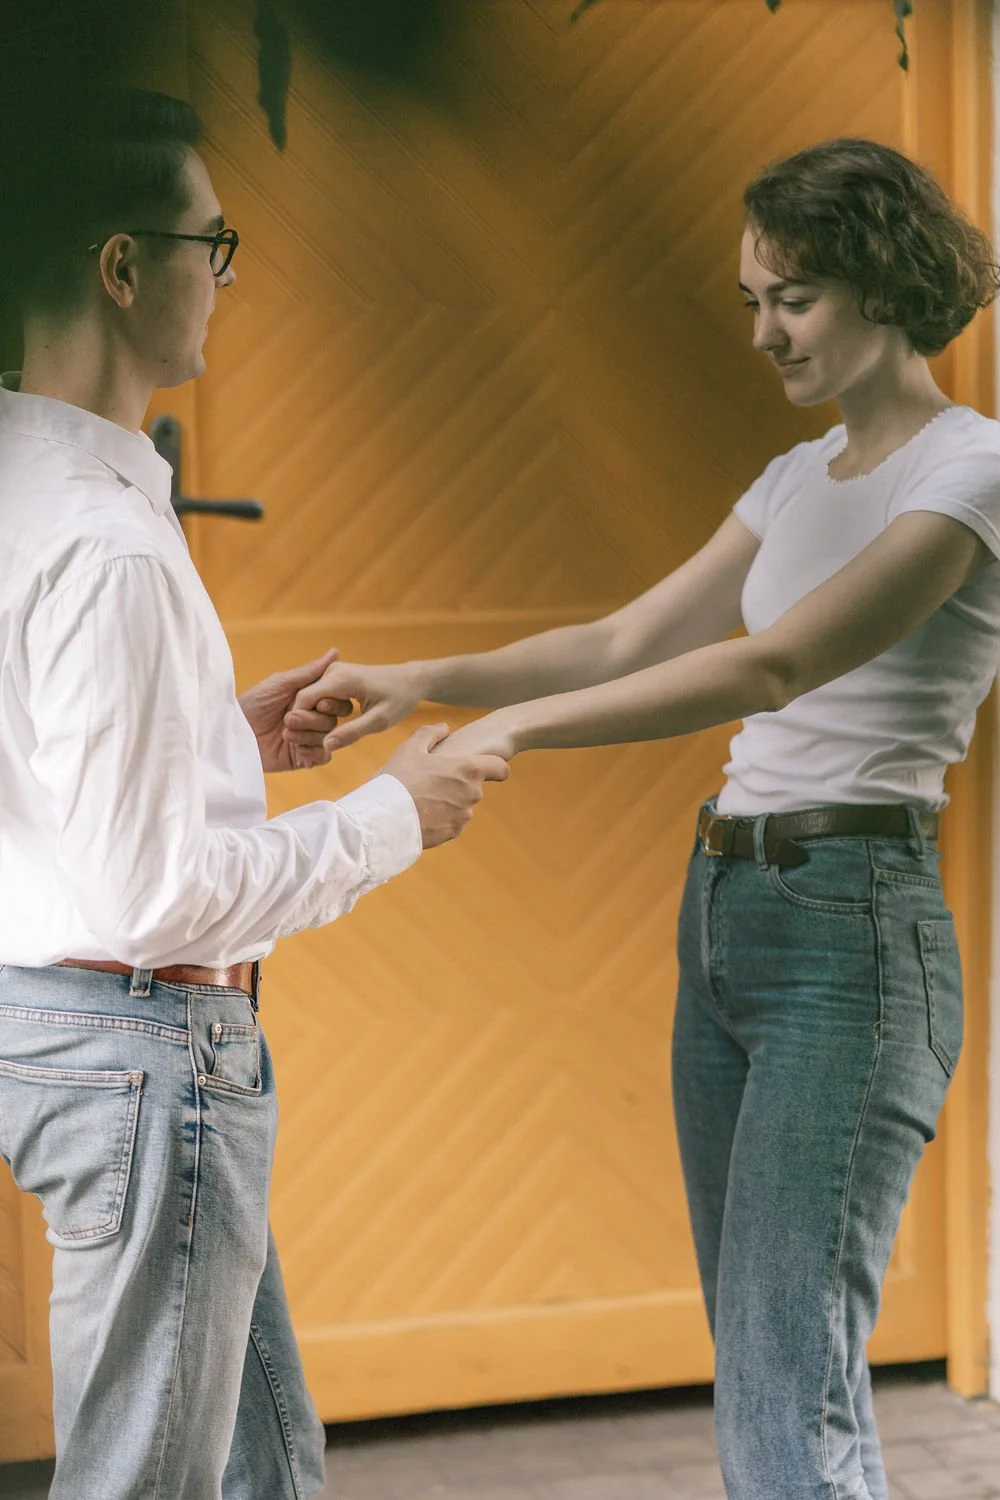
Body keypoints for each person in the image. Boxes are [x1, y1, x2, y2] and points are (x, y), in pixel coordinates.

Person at [290, 138, 1000, 1499]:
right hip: (730, 910)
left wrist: (512, 735)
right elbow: (625, 638)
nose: (762, 332)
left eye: (791, 297)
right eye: (751, 300)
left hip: (853, 932)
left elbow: (772, 663)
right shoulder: (798, 481)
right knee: (764, 1362)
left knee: (792, 1383)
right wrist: (424, 678)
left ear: (888, 282)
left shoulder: (971, 474)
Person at [0, 89, 508, 1500]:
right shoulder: (107, 539)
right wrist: (396, 814)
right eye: (210, 242)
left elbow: (42, 757)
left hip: (62, 1027)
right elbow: (150, 892)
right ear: (120, 267)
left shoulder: (21, 483)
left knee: (265, 1469)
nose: (223, 277)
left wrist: (219, 742)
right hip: (147, 1048)